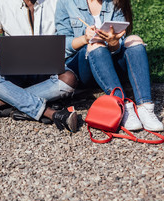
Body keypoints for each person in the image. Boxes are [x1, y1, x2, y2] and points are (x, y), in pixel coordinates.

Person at [55, 0, 164, 131]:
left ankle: (145, 107)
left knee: (134, 40)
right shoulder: (66, 2)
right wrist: (84, 39)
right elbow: (62, 45)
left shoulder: (115, 2)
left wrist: (113, 43)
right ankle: (121, 106)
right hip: (84, 68)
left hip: (110, 64)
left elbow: (121, 43)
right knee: (96, 45)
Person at [0, 0, 79, 132]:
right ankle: (50, 112)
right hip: (14, 70)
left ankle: (2, 102)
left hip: (46, 70)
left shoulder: (56, 3)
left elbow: (67, 43)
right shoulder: (1, 4)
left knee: (69, 79)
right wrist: (13, 55)